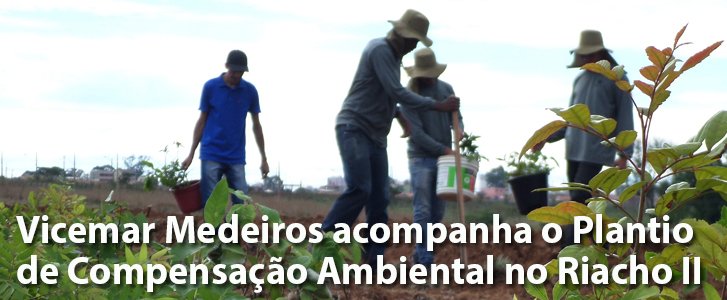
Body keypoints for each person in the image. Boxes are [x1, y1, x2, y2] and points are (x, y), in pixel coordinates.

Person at [321, 9, 460, 266]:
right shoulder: (380, 50)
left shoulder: (393, 58)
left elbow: (385, 94)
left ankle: (373, 261)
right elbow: (396, 91)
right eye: (414, 41)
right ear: (405, 37)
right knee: (360, 188)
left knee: (379, 198)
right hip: (355, 127)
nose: (414, 46)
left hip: (375, 135)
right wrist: (436, 106)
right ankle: (320, 245)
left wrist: (398, 115)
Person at [534, 30, 634, 247]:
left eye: (590, 55)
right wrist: (545, 138)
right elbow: (570, 120)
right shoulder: (580, 80)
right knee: (585, 205)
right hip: (573, 150)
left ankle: (565, 253)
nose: (587, 59)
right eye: (584, 56)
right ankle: (604, 249)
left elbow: (625, 116)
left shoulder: (617, 79)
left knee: (577, 201)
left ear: (601, 54)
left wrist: (625, 153)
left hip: (596, 152)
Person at [182, 49, 270, 207]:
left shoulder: (249, 91)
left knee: (242, 202)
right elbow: (202, 120)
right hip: (211, 152)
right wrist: (191, 153)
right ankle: (213, 231)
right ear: (227, 66)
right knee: (211, 202)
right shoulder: (211, 87)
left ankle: (237, 231)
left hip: (236, 156)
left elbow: (256, 125)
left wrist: (264, 158)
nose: (237, 75)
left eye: (241, 72)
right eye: (234, 71)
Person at [400, 47, 463, 268]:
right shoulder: (409, 95)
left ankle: (420, 253)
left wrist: (460, 130)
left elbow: (457, 117)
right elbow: (416, 134)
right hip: (421, 159)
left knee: (437, 211)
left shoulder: (446, 89)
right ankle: (425, 260)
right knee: (423, 209)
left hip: (443, 160)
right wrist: (445, 150)